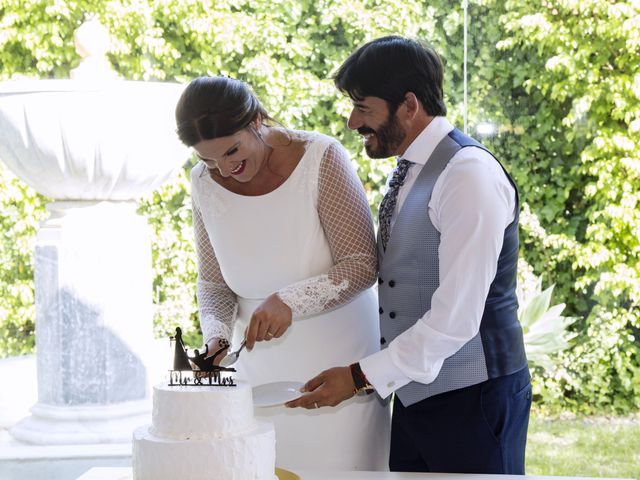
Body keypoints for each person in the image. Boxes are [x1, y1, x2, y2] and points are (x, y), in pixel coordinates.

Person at [286, 35, 532, 475]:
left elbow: (455, 319)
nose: (351, 121)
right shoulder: (413, 169)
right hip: (416, 395)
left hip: (474, 399)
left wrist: (359, 377)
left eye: (364, 107)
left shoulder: (468, 175)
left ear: (409, 105)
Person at [174, 76, 390, 471]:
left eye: (231, 150)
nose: (223, 167)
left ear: (256, 120)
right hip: (256, 373)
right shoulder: (202, 182)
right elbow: (213, 282)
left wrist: (289, 300)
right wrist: (218, 337)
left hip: (337, 363)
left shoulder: (321, 157)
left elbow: (362, 262)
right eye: (208, 159)